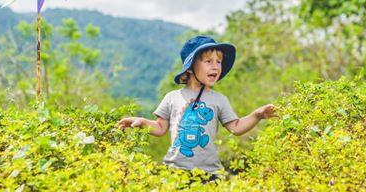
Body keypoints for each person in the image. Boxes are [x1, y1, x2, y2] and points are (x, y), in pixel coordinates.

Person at [116, 35, 278, 179]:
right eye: (208, 61)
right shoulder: (173, 97)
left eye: (219, 62)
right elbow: (160, 128)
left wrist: (258, 115)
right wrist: (141, 121)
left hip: (209, 174)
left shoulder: (219, 100)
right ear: (191, 67)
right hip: (175, 172)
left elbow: (236, 127)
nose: (216, 67)